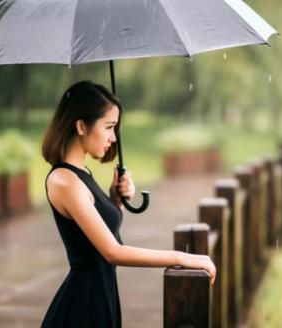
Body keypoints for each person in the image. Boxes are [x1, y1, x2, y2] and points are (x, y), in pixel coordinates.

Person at [40, 80, 216, 328]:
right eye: (109, 126)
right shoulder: (64, 181)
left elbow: (96, 236)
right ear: (81, 125)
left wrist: (114, 201)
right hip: (83, 306)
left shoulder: (81, 173)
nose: (113, 137)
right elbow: (112, 252)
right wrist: (183, 258)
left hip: (100, 295)